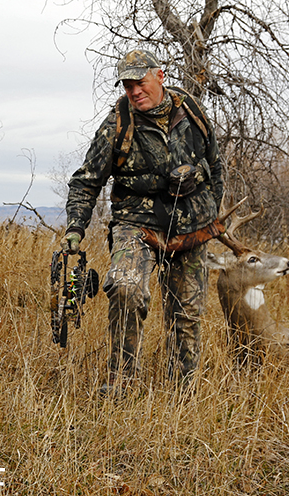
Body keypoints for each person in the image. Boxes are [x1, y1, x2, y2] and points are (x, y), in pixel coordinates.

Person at [63, 49, 224, 392]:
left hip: (190, 229)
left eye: (140, 82)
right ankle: (121, 381)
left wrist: (207, 202)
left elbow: (216, 165)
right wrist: (76, 228)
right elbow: (86, 180)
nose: (134, 91)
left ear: (159, 76)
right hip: (136, 223)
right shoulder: (117, 125)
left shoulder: (191, 111)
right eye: (127, 85)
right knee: (125, 287)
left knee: (187, 312)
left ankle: (181, 393)